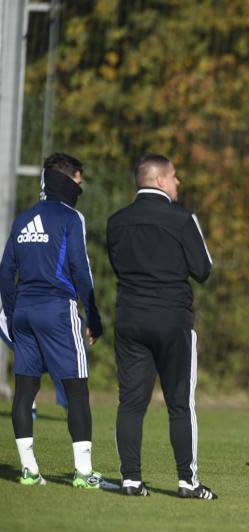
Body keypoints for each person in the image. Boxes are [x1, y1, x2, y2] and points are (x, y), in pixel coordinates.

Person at [107, 154, 216, 499]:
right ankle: (188, 481)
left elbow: (117, 265)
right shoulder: (183, 219)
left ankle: (130, 479)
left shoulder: (116, 221)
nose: (178, 182)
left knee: (130, 403)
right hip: (171, 320)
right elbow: (203, 269)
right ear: (158, 180)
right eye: (174, 176)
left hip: (129, 317)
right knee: (180, 404)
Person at [0, 153, 106, 488]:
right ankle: (84, 473)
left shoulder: (23, 219)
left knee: (25, 390)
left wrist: (14, 312)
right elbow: (80, 269)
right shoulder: (71, 218)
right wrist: (94, 315)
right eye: (78, 178)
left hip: (24, 311)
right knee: (77, 390)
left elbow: (5, 273)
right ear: (67, 178)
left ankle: (29, 470)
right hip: (57, 308)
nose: (81, 184)